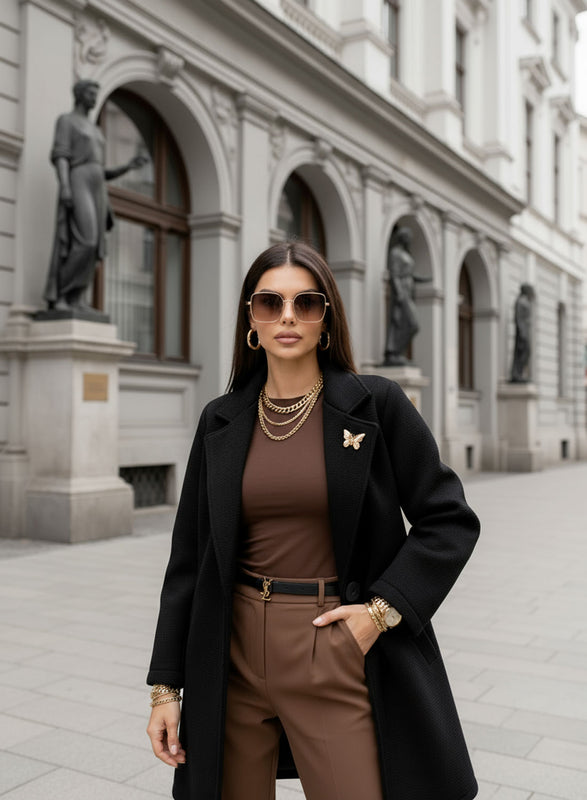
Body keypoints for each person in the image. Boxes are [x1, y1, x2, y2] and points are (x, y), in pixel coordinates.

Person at [146, 241, 480, 800]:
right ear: (250, 319)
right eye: (270, 302)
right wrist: (164, 687)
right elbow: (188, 560)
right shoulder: (220, 420)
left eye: (306, 303)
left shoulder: (376, 405)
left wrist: (380, 613)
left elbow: (449, 518)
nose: (287, 317)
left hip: (332, 643)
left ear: (326, 319)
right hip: (232, 654)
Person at [43, 80, 146, 311]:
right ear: (79, 94)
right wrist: (66, 185)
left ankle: (77, 298)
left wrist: (128, 167)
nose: (94, 98)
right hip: (78, 179)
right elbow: (61, 155)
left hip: (97, 186)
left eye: (95, 94)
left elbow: (101, 169)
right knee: (86, 241)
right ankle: (60, 295)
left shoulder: (96, 130)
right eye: (90, 93)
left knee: (95, 246)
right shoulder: (67, 121)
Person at [384, 225, 430, 365]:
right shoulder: (395, 253)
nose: (410, 240)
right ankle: (392, 353)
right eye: (408, 237)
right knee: (412, 324)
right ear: (403, 238)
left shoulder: (405, 254)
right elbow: (395, 274)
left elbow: (409, 274)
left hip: (409, 291)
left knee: (407, 323)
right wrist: (398, 293)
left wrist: (424, 279)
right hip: (402, 292)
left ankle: (397, 353)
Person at [510, 283, 534, 383]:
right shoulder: (520, 302)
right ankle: (516, 374)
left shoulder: (525, 301)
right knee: (522, 352)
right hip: (522, 332)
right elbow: (518, 318)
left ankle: (519, 374)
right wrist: (522, 333)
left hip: (525, 331)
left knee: (527, 353)